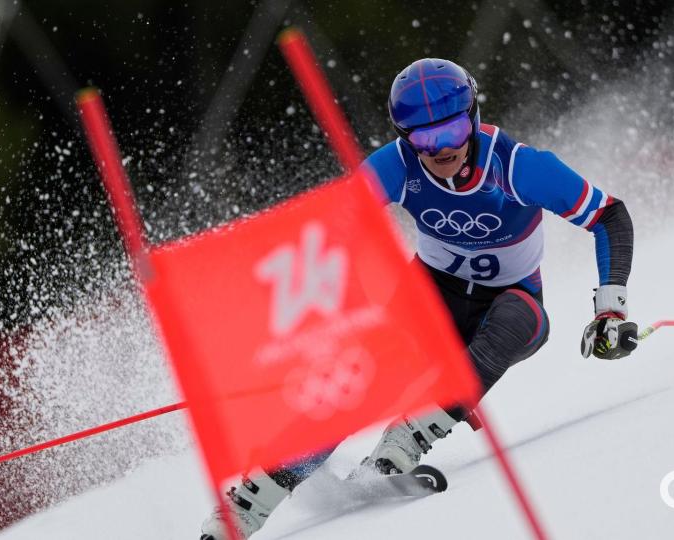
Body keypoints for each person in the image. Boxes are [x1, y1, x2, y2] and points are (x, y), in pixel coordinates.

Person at [200, 58, 636, 539]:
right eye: (424, 138)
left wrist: (610, 306)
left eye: (450, 130)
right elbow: (334, 235)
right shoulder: (395, 165)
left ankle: (405, 440)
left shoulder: (516, 166)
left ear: (471, 117)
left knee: (521, 318)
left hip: (511, 301)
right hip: (430, 297)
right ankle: (244, 508)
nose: (441, 148)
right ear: (404, 135)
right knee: (362, 379)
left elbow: (609, 216)